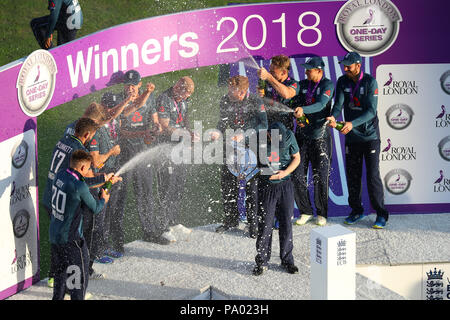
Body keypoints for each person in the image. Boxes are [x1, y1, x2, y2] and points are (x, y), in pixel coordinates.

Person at [42, 118, 118, 287]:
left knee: (60, 239)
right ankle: (72, 286)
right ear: (86, 134)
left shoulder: (63, 140)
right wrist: (107, 180)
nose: (92, 139)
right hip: (66, 199)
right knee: (74, 244)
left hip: (52, 195)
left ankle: (55, 276)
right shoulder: (79, 150)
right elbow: (86, 180)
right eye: (92, 136)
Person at [326, 51, 389, 229]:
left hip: (370, 137)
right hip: (352, 138)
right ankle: (356, 210)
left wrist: (352, 123)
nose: (345, 68)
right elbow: (338, 105)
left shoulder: (370, 82)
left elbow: (371, 111)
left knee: (372, 176)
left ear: (358, 65)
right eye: (344, 65)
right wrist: (332, 117)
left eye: (349, 65)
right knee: (352, 176)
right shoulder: (342, 81)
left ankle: (381, 214)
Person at [212, 75, 268, 238]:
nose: (228, 92)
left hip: (252, 147)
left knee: (252, 188)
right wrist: (217, 131)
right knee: (227, 183)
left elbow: (263, 125)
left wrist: (243, 134)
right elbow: (222, 122)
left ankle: (253, 224)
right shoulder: (225, 100)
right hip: (232, 147)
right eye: (229, 88)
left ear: (242, 92)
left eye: (232, 90)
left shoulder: (256, 102)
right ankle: (230, 220)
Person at [49, 150, 109, 300]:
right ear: (82, 168)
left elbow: (81, 184)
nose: (89, 171)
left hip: (56, 237)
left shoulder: (61, 174)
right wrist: (104, 199)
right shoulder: (79, 186)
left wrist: (105, 178)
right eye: (88, 168)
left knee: (60, 279)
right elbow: (95, 208)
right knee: (78, 284)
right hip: (72, 242)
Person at [113, 70, 161, 245]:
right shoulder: (118, 100)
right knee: (119, 196)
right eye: (127, 84)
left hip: (142, 152)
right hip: (124, 154)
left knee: (146, 193)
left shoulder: (150, 99)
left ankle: (150, 232)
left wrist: (156, 129)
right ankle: (116, 240)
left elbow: (155, 121)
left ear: (140, 84)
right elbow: (122, 131)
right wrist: (143, 132)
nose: (130, 88)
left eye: (133, 85)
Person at [291, 57, 335, 227]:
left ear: (319, 71)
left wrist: (304, 110)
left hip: (320, 137)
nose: (306, 71)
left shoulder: (327, 85)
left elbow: (320, 105)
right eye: (306, 69)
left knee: (320, 176)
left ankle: (322, 213)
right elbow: (293, 99)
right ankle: (305, 211)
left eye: (309, 69)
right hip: (301, 136)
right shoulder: (302, 84)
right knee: (297, 175)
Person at [253, 122, 301, 276]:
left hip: (285, 185)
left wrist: (284, 173)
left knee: (286, 222)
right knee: (265, 225)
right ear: (268, 134)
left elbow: (297, 158)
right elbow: (253, 165)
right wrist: (265, 172)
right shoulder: (258, 141)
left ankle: (287, 260)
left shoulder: (289, 136)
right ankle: (262, 261)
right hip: (267, 188)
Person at [153, 76, 196, 243]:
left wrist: (190, 135)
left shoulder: (184, 100)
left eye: (188, 96)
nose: (186, 98)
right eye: (185, 94)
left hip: (180, 149)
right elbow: (164, 126)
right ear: (178, 86)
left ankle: (174, 221)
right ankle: (163, 227)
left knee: (178, 185)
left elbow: (185, 121)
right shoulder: (164, 99)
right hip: (167, 150)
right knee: (166, 188)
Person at [257, 54, 299, 129]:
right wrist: (260, 95)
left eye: (273, 72)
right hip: (267, 125)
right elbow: (262, 99)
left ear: (283, 73)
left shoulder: (293, 83)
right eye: (270, 71)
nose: (270, 74)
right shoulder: (267, 82)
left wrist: (269, 77)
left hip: (284, 127)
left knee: (278, 138)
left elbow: (286, 94)